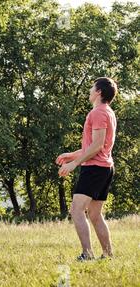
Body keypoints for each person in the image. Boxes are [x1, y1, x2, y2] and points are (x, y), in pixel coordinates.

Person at [56, 77, 118, 261]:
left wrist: (74, 164)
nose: (90, 90)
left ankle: (87, 254)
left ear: (99, 92)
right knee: (94, 214)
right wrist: (72, 155)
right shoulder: (108, 112)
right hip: (105, 167)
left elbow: (97, 145)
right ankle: (108, 255)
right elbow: (95, 145)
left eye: (92, 87)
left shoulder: (97, 113)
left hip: (94, 169)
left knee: (77, 210)